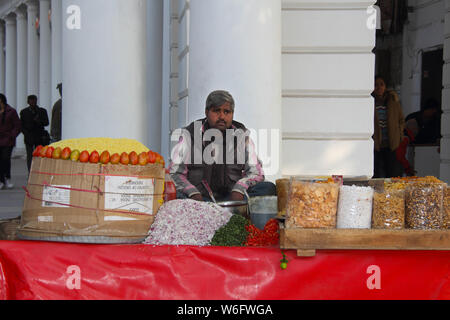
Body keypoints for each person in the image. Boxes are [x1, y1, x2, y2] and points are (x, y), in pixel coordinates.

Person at [169, 90, 276, 202]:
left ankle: (231, 209)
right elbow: (175, 173)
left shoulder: (241, 136)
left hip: (232, 199)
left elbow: (255, 172)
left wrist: (239, 189)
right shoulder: (190, 134)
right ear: (206, 112)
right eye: (216, 111)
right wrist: (192, 192)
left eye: (226, 112)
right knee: (175, 194)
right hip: (200, 199)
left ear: (232, 114)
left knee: (267, 188)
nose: (222, 117)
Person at [372, 76, 405, 178]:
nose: (379, 87)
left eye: (381, 84)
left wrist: (399, 134)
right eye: (376, 85)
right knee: (375, 172)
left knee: (391, 172)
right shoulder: (370, 101)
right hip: (376, 143)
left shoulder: (393, 101)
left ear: (385, 87)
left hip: (390, 143)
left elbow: (401, 120)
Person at [20, 95, 50, 172]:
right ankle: (30, 171)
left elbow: (46, 122)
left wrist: (39, 121)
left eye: (34, 100)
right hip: (29, 136)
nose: (33, 102)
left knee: (40, 155)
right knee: (30, 156)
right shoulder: (24, 112)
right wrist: (26, 133)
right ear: (28, 102)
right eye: (31, 100)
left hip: (39, 136)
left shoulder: (42, 111)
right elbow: (21, 125)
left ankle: (39, 170)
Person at [0, 94, 21, 190]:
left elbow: (17, 125)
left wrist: (12, 135)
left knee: (5, 159)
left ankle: (7, 178)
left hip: (8, 140)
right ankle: (1, 181)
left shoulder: (11, 111)